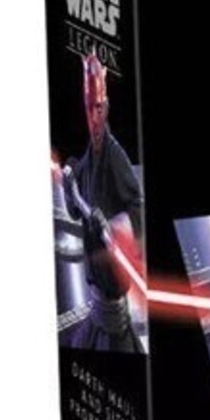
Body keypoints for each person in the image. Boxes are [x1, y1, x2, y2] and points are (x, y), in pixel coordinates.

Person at [62, 53, 144, 353]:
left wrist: (114, 226)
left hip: (113, 306)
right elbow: (75, 212)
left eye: (98, 107)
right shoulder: (85, 163)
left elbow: (137, 208)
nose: (93, 115)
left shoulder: (115, 155)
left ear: (106, 108)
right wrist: (70, 187)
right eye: (89, 108)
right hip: (97, 302)